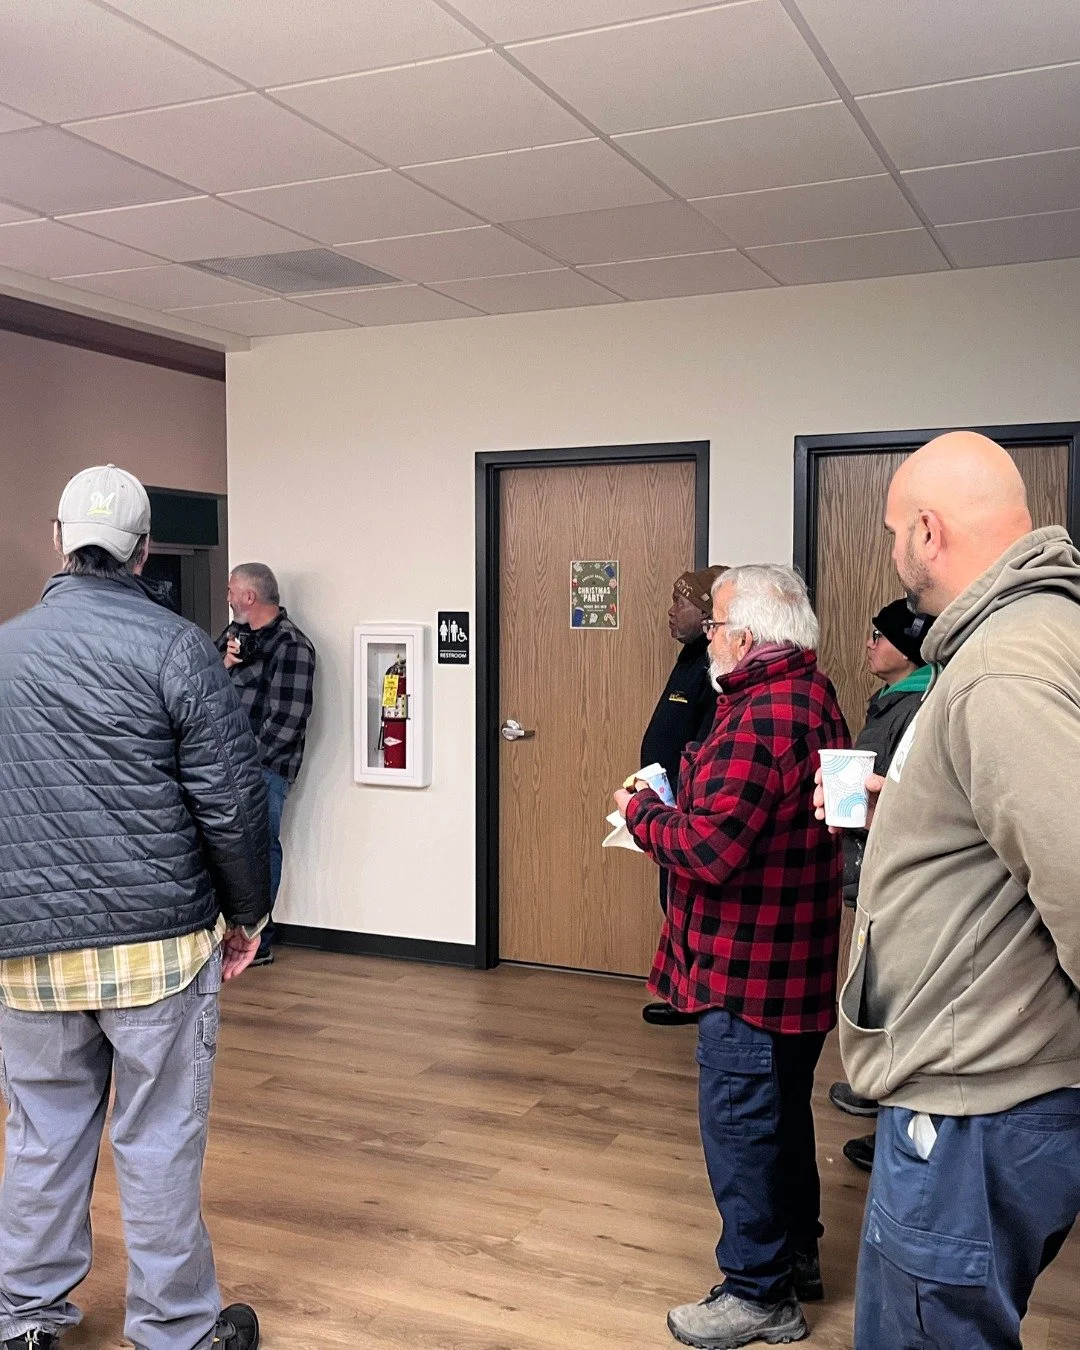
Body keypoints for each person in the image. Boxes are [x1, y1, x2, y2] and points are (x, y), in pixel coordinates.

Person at [0, 464, 269, 1350]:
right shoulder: (179, 647)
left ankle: (24, 1319)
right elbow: (232, 803)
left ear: (56, 539)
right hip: (154, 951)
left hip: (27, 957)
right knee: (155, 1143)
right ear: (144, 550)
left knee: (42, 1138)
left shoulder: (5, 650)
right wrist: (248, 916)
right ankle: (176, 1331)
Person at [829, 431, 1080, 1350]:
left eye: (897, 531)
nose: (897, 554)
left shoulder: (1001, 667)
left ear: (926, 532)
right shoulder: (1046, 633)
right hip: (999, 1091)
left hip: (977, 1104)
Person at [616, 564, 848, 1349]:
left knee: (742, 1126)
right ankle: (797, 1255)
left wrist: (642, 812)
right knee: (781, 1115)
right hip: (795, 958)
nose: (708, 635)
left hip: (745, 968)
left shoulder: (757, 714)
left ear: (744, 638)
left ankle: (759, 1294)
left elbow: (711, 849)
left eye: (714, 624)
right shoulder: (812, 692)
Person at [827, 598, 932, 1172]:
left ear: (909, 648)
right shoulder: (895, 698)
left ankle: (886, 1106)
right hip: (874, 857)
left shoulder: (919, 705)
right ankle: (876, 1094)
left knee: (892, 988)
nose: (868, 644)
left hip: (893, 866)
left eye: (879, 636)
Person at [639, 564, 727, 1027]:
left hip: (693, 809)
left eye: (681, 602)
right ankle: (684, 992)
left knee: (689, 903)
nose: (671, 612)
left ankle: (697, 997)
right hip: (670, 803)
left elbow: (709, 739)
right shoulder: (691, 656)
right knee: (672, 901)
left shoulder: (717, 664)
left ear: (710, 611)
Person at [216, 563, 316, 965]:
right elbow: (196, 682)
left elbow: (287, 721)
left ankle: (259, 939)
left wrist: (247, 764)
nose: (227, 596)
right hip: (221, 765)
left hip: (263, 771)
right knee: (224, 850)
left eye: (230, 590)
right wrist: (225, 664)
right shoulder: (232, 637)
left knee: (258, 849)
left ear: (249, 597)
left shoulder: (292, 645)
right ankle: (228, 935)